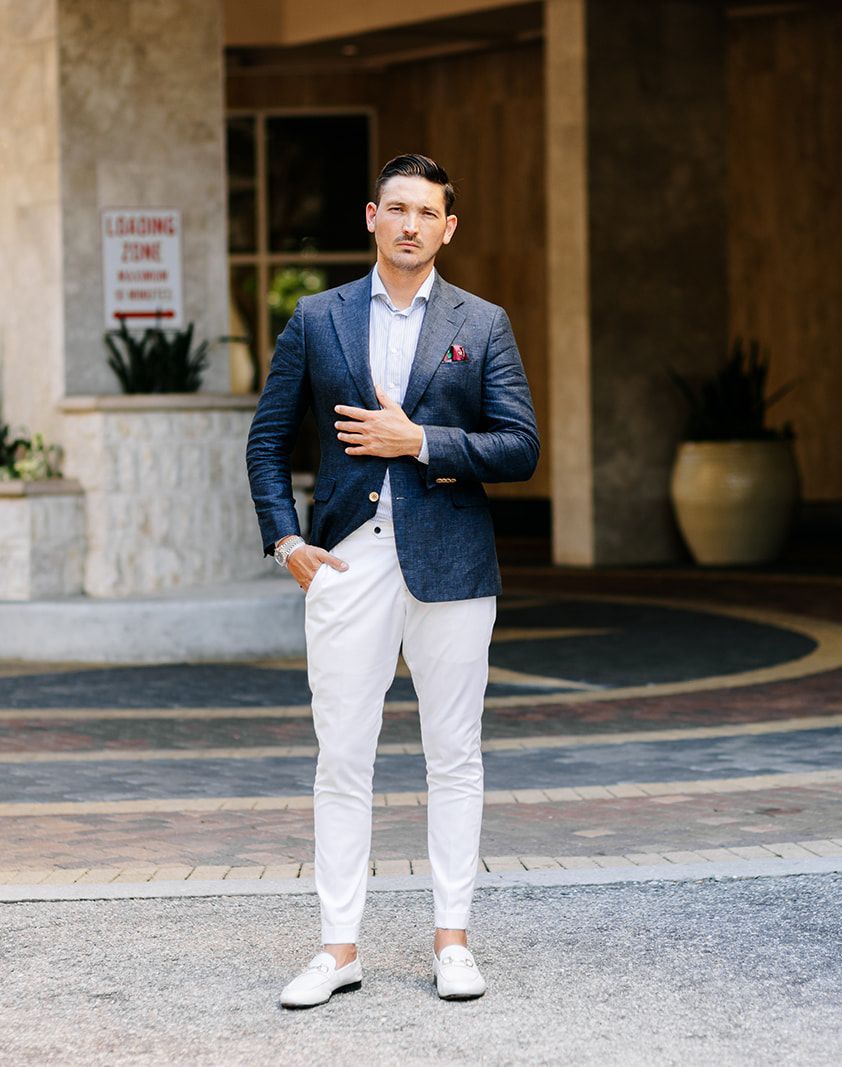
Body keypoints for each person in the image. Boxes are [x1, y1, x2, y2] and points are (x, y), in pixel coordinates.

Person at [245, 154, 540, 1008]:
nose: (411, 224)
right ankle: (338, 947)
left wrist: (421, 442)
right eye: (397, 208)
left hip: (452, 562)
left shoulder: (482, 324)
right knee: (343, 757)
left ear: (449, 229)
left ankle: (453, 940)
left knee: (455, 754)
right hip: (344, 560)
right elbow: (267, 441)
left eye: (428, 213)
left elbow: (519, 446)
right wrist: (286, 542)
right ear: (371, 216)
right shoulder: (316, 317)